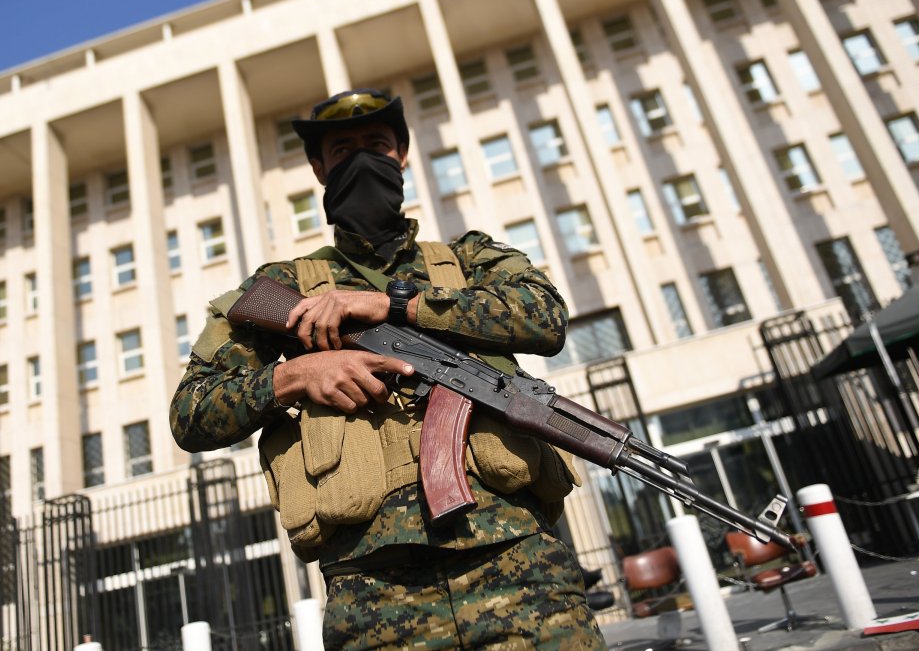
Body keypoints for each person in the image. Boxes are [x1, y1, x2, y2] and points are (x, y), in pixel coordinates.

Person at [171, 88, 606, 649]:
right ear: (319, 167)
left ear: (400, 156)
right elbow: (191, 413)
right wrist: (295, 377)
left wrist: (398, 305)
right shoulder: (280, 288)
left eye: (376, 145)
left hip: (520, 566)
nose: (362, 161)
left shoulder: (468, 260)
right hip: (373, 592)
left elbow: (545, 317)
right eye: (343, 150)